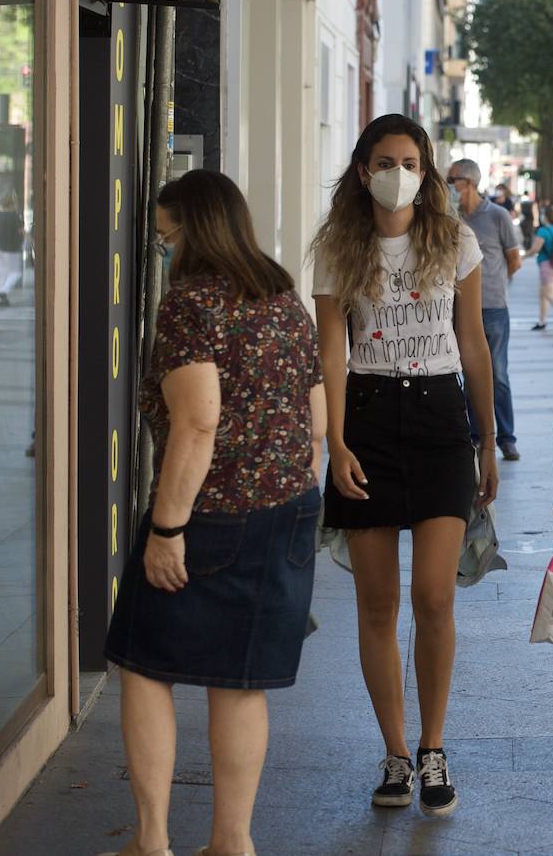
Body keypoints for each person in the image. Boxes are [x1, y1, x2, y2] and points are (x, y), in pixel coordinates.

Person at [102, 169, 326, 856]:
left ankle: (153, 841)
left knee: (144, 664)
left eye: (166, 234)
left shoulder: (191, 305)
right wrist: (289, 491)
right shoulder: (282, 296)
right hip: (287, 508)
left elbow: (197, 423)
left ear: (193, 230)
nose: (163, 247)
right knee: (240, 680)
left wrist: (168, 529)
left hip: (208, 517)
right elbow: (315, 418)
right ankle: (232, 841)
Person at [311, 113, 500, 819]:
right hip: (365, 413)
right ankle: (394, 751)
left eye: (412, 161)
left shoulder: (455, 240)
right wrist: (334, 442)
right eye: (387, 160)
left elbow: (474, 343)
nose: (400, 173)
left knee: (435, 595)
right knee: (378, 603)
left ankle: (433, 745)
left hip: (438, 420)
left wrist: (485, 436)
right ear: (363, 170)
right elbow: (331, 350)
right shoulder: (337, 247)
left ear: (428, 170)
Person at [449, 159, 524, 462]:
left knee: (498, 374)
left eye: (450, 179)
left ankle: (506, 437)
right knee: (465, 373)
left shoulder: (497, 216)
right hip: (456, 308)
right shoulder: (448, 218)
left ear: (468, 183)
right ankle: (475, 435)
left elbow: (514, 259)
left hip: (493, 308)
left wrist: (493, 285)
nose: (447, 185)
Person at [0, 191, 25, 307]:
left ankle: (3, 299)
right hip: (10, 251)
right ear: (12, 204)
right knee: (16, 273)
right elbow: (20, 234)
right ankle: (4, 291)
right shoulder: (15, 216)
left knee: (3, 274)